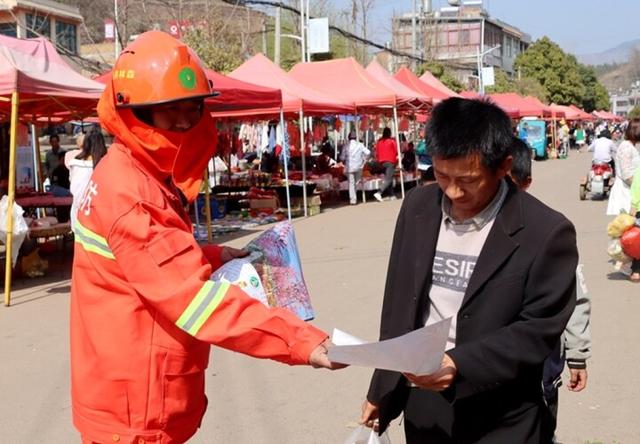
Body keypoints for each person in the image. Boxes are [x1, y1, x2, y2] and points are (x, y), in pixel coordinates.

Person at [70, 31, 342, 444]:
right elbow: (194, 301)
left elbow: (145, 258)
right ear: (137, 112)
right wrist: (301, 341)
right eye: (170, 109)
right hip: (138, 407)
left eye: (193, 108)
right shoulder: (133, 192)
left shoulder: (127, 171)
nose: (184, 120)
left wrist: (213, 255)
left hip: (121, 387)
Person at [360, 98, 578, 443]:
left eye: (468, 179)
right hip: (425, 401)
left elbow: (538, 330)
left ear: (504, 166)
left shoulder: (546, 231)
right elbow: (400, 304)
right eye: (442, 175)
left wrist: (459, 363)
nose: (453, 190)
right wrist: (383, 389)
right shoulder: (418, 207)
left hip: (501, 412)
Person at [509, 136, 592, 436]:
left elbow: (575, 297)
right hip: (485, 372)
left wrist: (578, 354)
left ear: (525, 182)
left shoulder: (549, 233)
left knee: (540, 431)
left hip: (540, 368)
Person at [66, 129, 108, 231]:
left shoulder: (74, 163)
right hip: (96, 217)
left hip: (77, 214)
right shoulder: (105, 164)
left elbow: (73, 186)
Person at [607, 119, 640, 216]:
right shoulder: (626, 147)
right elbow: (626, 175)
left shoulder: (631, 146)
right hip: (627, 192)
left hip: (632, 191)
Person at [341, 131, 370, 205]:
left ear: (349, 138)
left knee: (351, 183)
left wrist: (344, 160)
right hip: (359, 167)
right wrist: (364, 159)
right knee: (356, 183)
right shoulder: (360, 145)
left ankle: (353, 199)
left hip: (350, 167)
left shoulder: (346, 146)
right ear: (355, 138)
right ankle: (354, 197)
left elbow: (342, 157)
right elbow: (368, 152)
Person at [373, 127, 398, 202]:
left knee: (388, 178)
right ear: (390, 133)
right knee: (389, 179)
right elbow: (396, 151)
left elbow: (376, 152)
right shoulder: (392, 141)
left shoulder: (379, 142)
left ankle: (392, 195)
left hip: (381, 162)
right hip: (390, 161)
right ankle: (379, 192)